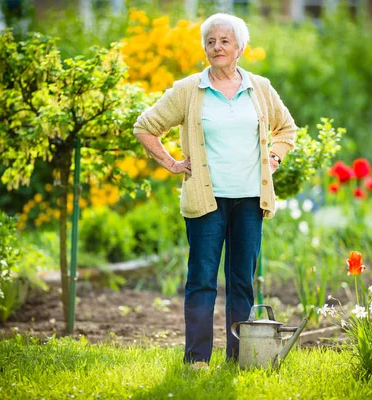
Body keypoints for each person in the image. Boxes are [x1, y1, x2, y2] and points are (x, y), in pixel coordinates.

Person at [133, 13, 297, 368]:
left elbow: (287, 129)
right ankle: (197, 359)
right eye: (210, 41)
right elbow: (145, 127)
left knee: (242, 282)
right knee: (202, 280)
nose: (216, 47)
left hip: (250, 201)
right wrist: (173, 164)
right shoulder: (189, 89)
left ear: (240, 47)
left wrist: (274, 157)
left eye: (224, 41)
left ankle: (239, 357)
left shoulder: (260, 88)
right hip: (207, 201)